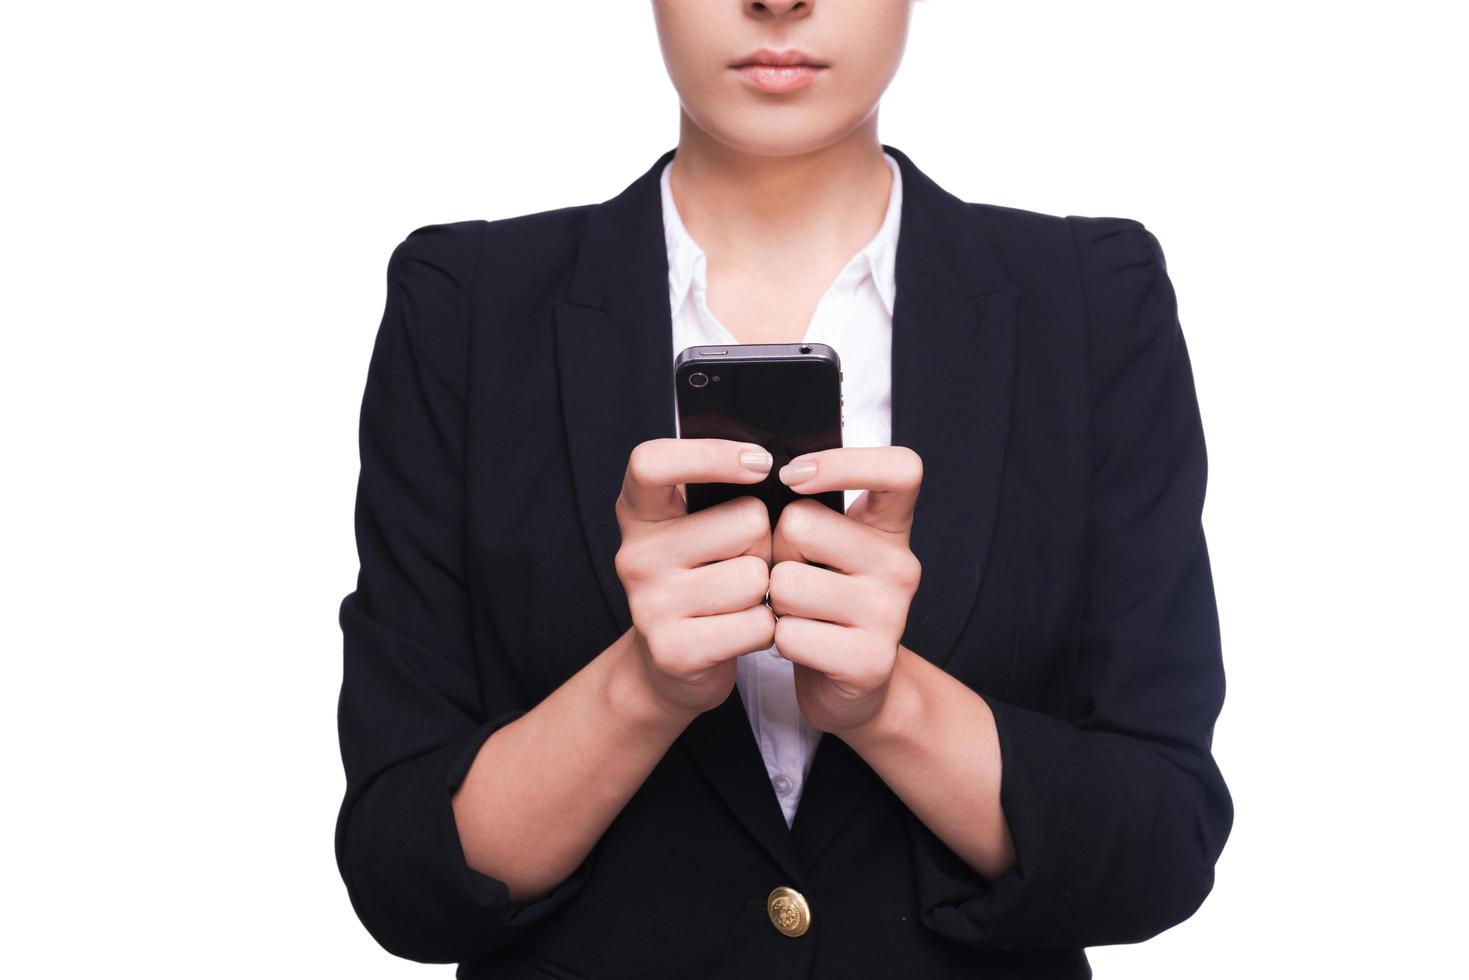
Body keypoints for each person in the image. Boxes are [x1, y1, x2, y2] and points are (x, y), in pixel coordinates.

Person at [333, 2, 1233, 977]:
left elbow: (1160, 846)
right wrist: (642, 686)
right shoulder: (465, 307)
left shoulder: (1092, 303)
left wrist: (886, 704)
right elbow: (400, 873)